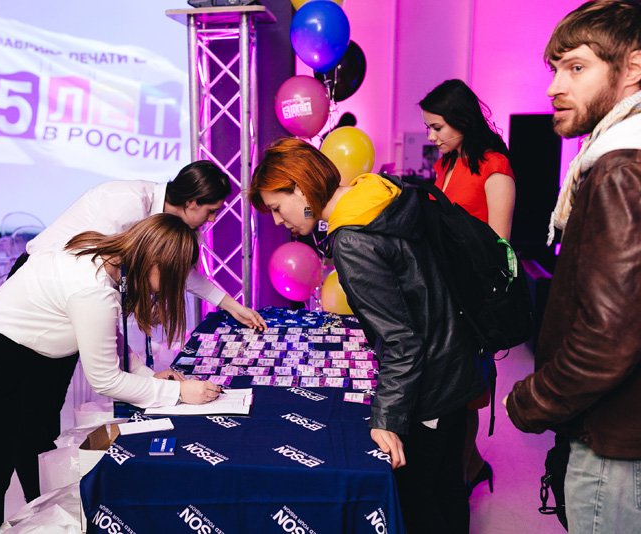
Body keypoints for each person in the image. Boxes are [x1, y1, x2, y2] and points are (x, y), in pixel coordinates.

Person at [0, 213, 222, 533]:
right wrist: (179, 392)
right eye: (175, 276)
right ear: (156, 263)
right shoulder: (94, 291)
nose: (175, 286)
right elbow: (105, 379)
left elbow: (105, 334)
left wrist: (147, 376)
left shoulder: (98, 256)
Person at [250, 138, 486, 533]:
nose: (277, 221)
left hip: (430, 384)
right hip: (455, 363)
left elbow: (402, 341)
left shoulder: (352, 238)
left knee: (419, 503)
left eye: (276, 207)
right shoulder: (377, 192)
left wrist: (387, 419)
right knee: (448, 489)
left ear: (302, 188)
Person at [506, 1, 641, 532]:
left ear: (633, 67)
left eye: (576, 67)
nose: (553, 88)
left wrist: (532, 399)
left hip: (615, 445)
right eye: (555, 69)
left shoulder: (618, 168)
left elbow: (610, 336)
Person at [23, 160, 266, 330]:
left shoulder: (176, 226)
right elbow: (96, 267)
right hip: (38, 280)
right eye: (211, 211)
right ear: (192, 202)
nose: (212, 220)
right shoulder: (129, 202)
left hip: (70, 293)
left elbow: (182, 274)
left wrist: (233, 307)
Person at [419, 78, 517, 494]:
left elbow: (499, 246)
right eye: (428, 127)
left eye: (437, 127)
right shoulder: (446, 163)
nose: (431, 136)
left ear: (461, 120)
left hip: (472, 299)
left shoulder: (495, 165)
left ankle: (463, 471)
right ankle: (467, 465)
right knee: (448, 389)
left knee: (466, 390)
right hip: (442, 292)